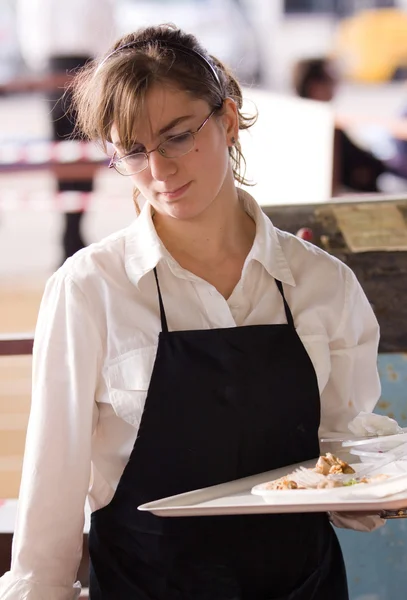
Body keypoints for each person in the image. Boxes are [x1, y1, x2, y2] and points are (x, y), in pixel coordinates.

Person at [0, 24, 382, 600]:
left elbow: (345, 451)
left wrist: (376, 491)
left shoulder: (322, 284)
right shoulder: (90, 290)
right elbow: (52, 491)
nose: (159, 171)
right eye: (132, 150)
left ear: (228, 120)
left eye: (178, 137)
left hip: (303, 587)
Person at [14, 0, 115, 262]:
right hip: (67, 67)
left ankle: (73, 229)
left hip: (75, 66)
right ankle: (71, 230)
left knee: (79, 151)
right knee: (66, 152)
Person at [292, 57, 387, 194]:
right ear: (315, 87)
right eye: (331, 80)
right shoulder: (321, 125)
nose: (336, 86)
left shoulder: (300, 118)